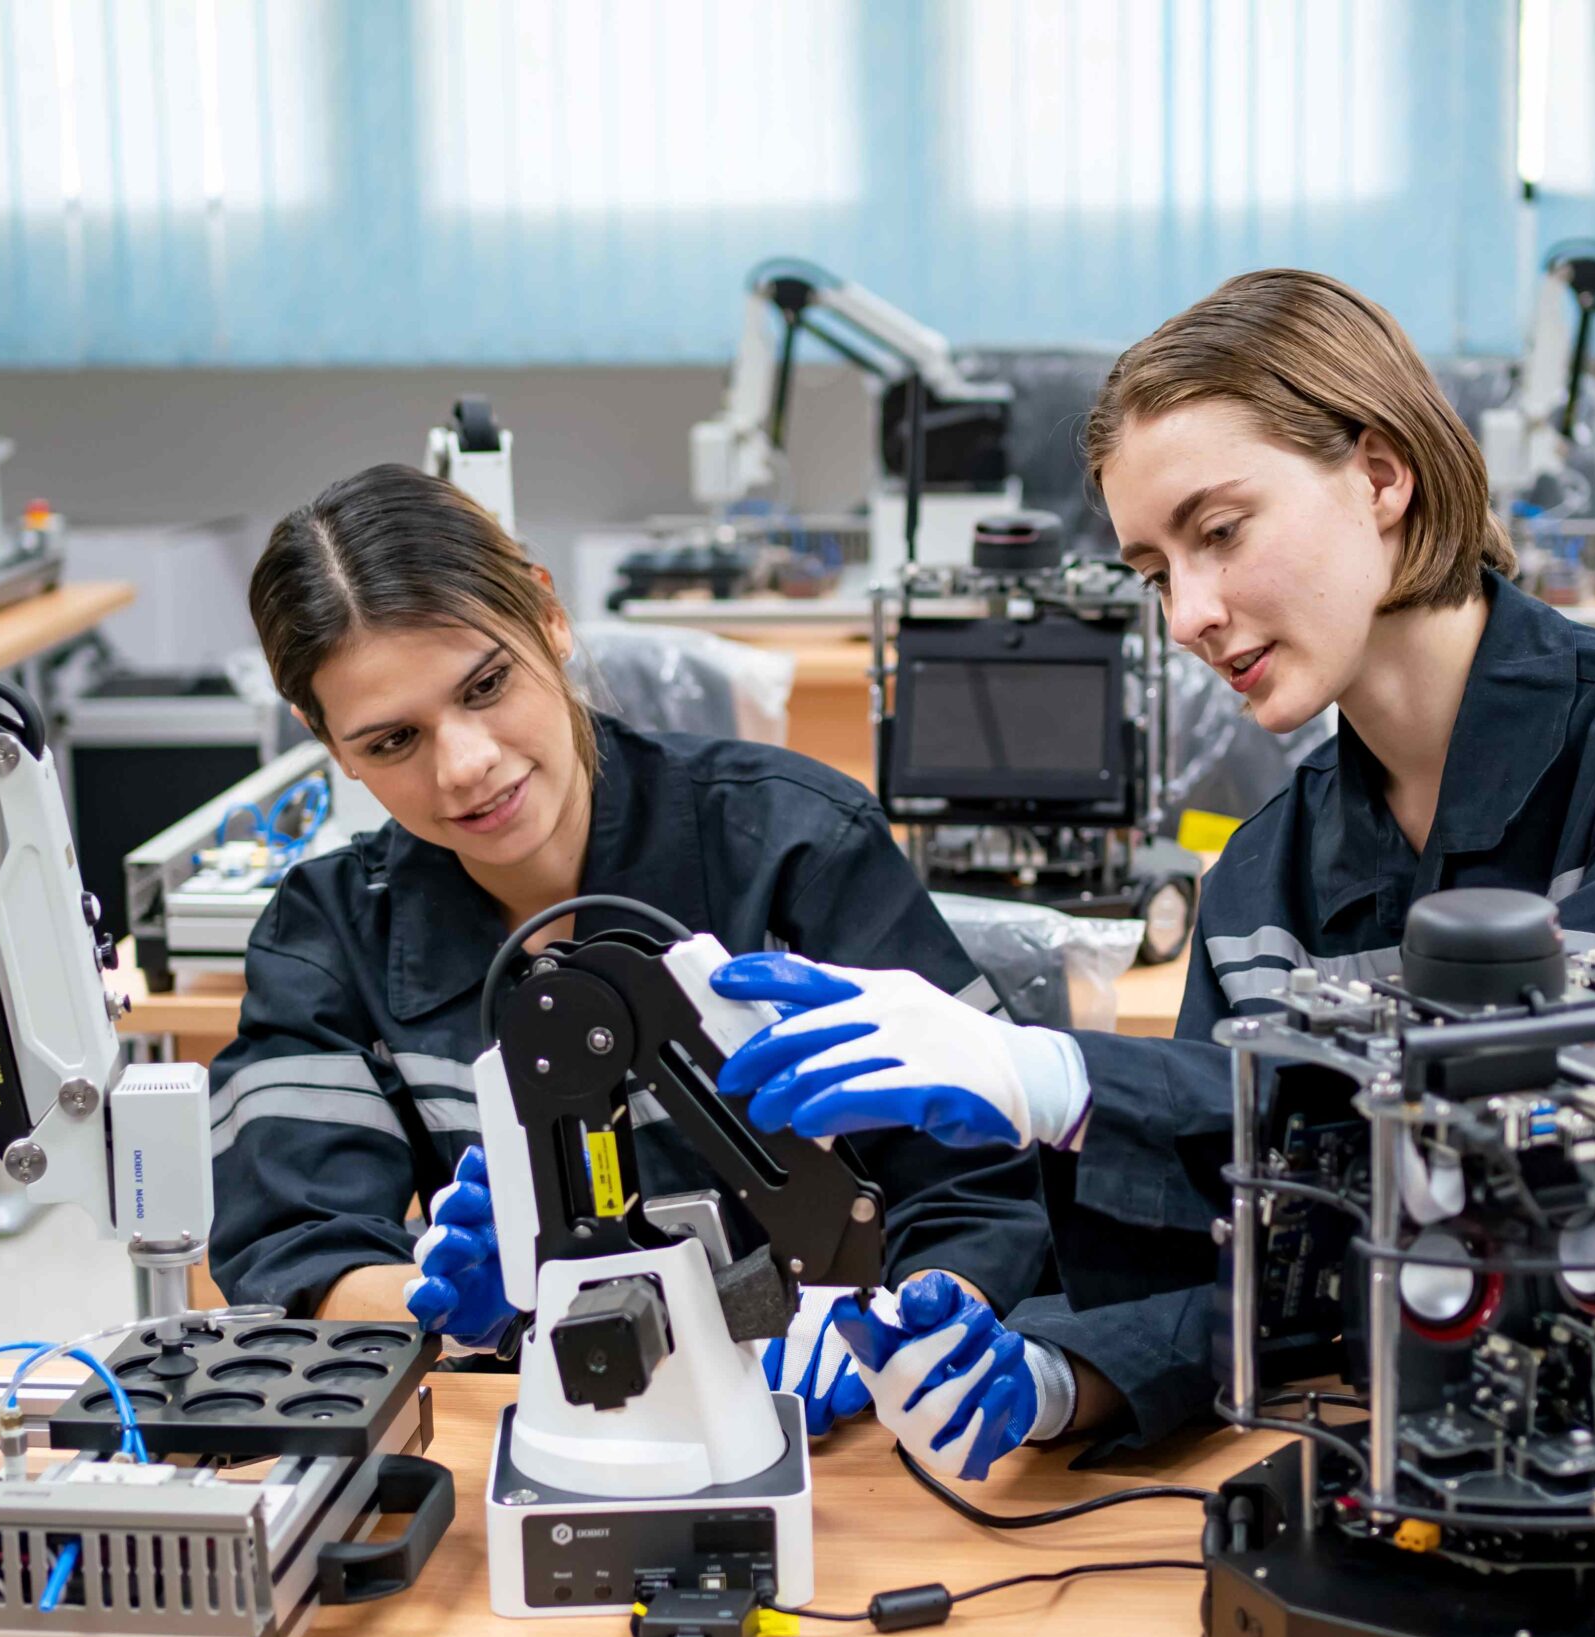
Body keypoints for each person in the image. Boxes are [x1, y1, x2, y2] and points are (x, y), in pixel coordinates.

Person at [711, 269, 1595, 1480]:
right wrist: (1058, 1379)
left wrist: (1063, 1075)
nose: (1185, 612)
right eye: (1150, 569)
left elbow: (1570, 1099)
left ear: (1381, 476)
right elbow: (1253, 1257)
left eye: (1219, 532)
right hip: (1445, 1454)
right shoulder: (1261, 881)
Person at [205, 463, 1052, 1434]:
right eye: (392, 741)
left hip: (854, 1446)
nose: (466, 763)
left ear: (548, 615)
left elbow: (984, 1182)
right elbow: (295, 1258)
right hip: (567, 1433)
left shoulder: (794, 848)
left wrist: (911, 1318)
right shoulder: (329, 939)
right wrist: (446, 1307)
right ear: (330, 744)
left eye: (486, 684)